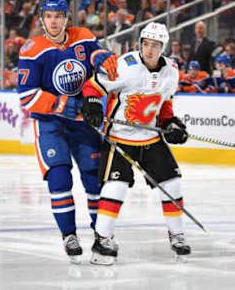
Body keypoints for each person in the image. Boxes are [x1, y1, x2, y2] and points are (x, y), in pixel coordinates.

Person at [16, 0, 118, 264]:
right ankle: (69, 236)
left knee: (95, 180)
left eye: (58, 16)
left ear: (66, 18)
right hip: (50, 123)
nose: (53, 21)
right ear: (42, 19)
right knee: (59, 179)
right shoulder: (32, 50)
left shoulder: (82, 35)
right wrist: (64, 105)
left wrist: (102, 57)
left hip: (82, 123)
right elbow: (26, 96)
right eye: (48, 16)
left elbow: (94, 53)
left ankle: (101, 235)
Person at [81, 22, 190, 265]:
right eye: (145, 44)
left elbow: (164, 104)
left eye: (155, 45)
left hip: (150, 138)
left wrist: (170, 123)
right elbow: (93, 86)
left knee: (172, 183)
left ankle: (177, 235)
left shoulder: (171, 70)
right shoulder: (125, 66)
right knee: (116, 186)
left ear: (164, 47)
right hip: (119, 137)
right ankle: (103, 238)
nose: (149, 49)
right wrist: (92, 103)